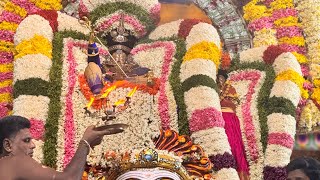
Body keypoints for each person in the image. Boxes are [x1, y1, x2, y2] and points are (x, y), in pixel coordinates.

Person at [0, 115, 127, 180]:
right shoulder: (16, 162)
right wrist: (85, 143)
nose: (33, 145)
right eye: (26, 140)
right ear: (8, 145)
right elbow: (69, 179)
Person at [217, 69, 249, 180]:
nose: (220, 80)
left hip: (230, 120)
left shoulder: (230, 89)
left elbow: (235, 103)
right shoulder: (213, 89)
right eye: (219, 78)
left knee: (234, 144)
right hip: (219, 119)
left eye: (222, 78)